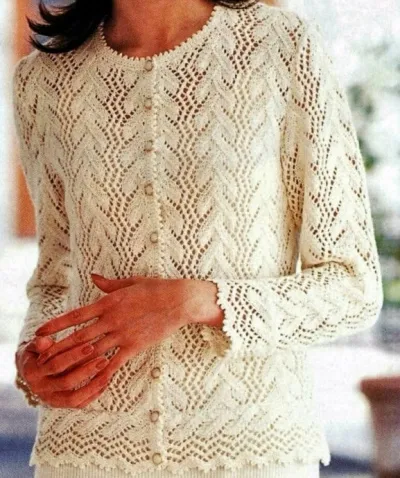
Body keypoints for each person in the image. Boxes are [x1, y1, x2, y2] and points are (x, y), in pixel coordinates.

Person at [12, 0, 384, 477]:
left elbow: (352, 287)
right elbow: (55, 278)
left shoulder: (282, 47)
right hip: (87, 451)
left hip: (250, 451)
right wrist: (35, 359)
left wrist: (195, 302)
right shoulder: (43, 79)